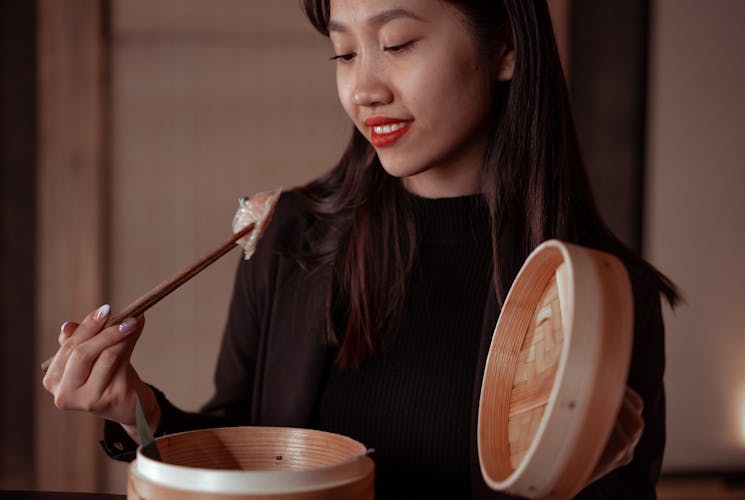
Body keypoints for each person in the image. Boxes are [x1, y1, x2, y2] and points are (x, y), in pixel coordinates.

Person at [42, 0, 679, 498]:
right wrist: (136, 409)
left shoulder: (599, 297)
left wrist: (585, 471)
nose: (364, 89)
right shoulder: (287, 237)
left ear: (507, 46)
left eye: (397, 43)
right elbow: (240, 451)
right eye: (344, 54)